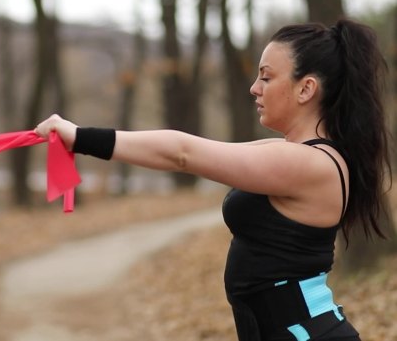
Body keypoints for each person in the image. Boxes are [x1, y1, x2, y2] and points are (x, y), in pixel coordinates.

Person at [34, 18, 392, 341]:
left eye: (267, 77)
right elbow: (192, 152)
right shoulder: (295, 154)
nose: (254, 88)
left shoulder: (308, 164)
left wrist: (80, 137)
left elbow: (182, 153)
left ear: (305, 89)